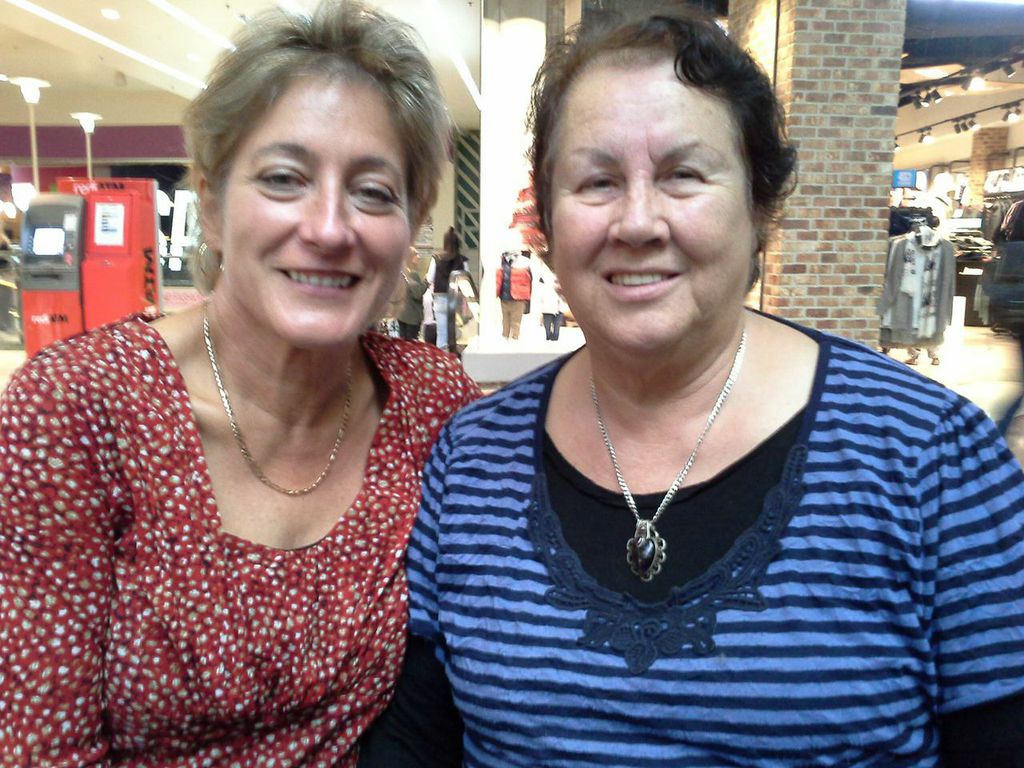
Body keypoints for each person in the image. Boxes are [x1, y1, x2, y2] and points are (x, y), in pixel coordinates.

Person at [360, 11, 1024, 767]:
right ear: (547, 221)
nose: (638, 222)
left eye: (683, 174)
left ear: (759, 205)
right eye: (597, 181)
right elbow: (417, 738)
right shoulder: (473, 458)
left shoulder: (930, 455)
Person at [0, 2, 480, 765]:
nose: (330, 227)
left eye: (373, 191)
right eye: (284, 179)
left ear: (410, 230)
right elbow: (41, 745)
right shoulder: (76, 408)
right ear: (213, 206)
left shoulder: (431, 403)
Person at [428, 228, 467, 351]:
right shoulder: (462, 260)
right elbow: (465, 280)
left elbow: (429, 278)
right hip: (455, 299)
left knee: (441, 332)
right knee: (453, 331)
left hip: (439, 297)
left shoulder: (436, 258)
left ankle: (441, 356)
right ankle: (451, 354)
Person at [495, 249, 532, 340]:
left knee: (509, 318)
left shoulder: (502, 266)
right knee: (513, 319)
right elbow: (528, 281)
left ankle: (508, 337)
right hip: (514, 297)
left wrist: (496, 293)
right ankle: (511, 337)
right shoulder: (524, 265)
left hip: (510, 296)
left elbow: (498, 282)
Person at [397, 247, 428, 341]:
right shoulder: (412, 274)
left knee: (402, 342)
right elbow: (417, 293)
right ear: (410, 257)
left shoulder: (401, 272)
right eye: (416, 254)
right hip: (412, 316)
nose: (419, 257)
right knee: (411, 343)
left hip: (401, 314)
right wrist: (426, 282)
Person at [536, 273, 566, 341]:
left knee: (548, 323)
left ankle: (548, 335)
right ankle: (555, 336)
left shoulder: (543, 285)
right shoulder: (561, 284)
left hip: (547, 307)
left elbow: (540, 297)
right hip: (558, 307)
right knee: (557, 324)